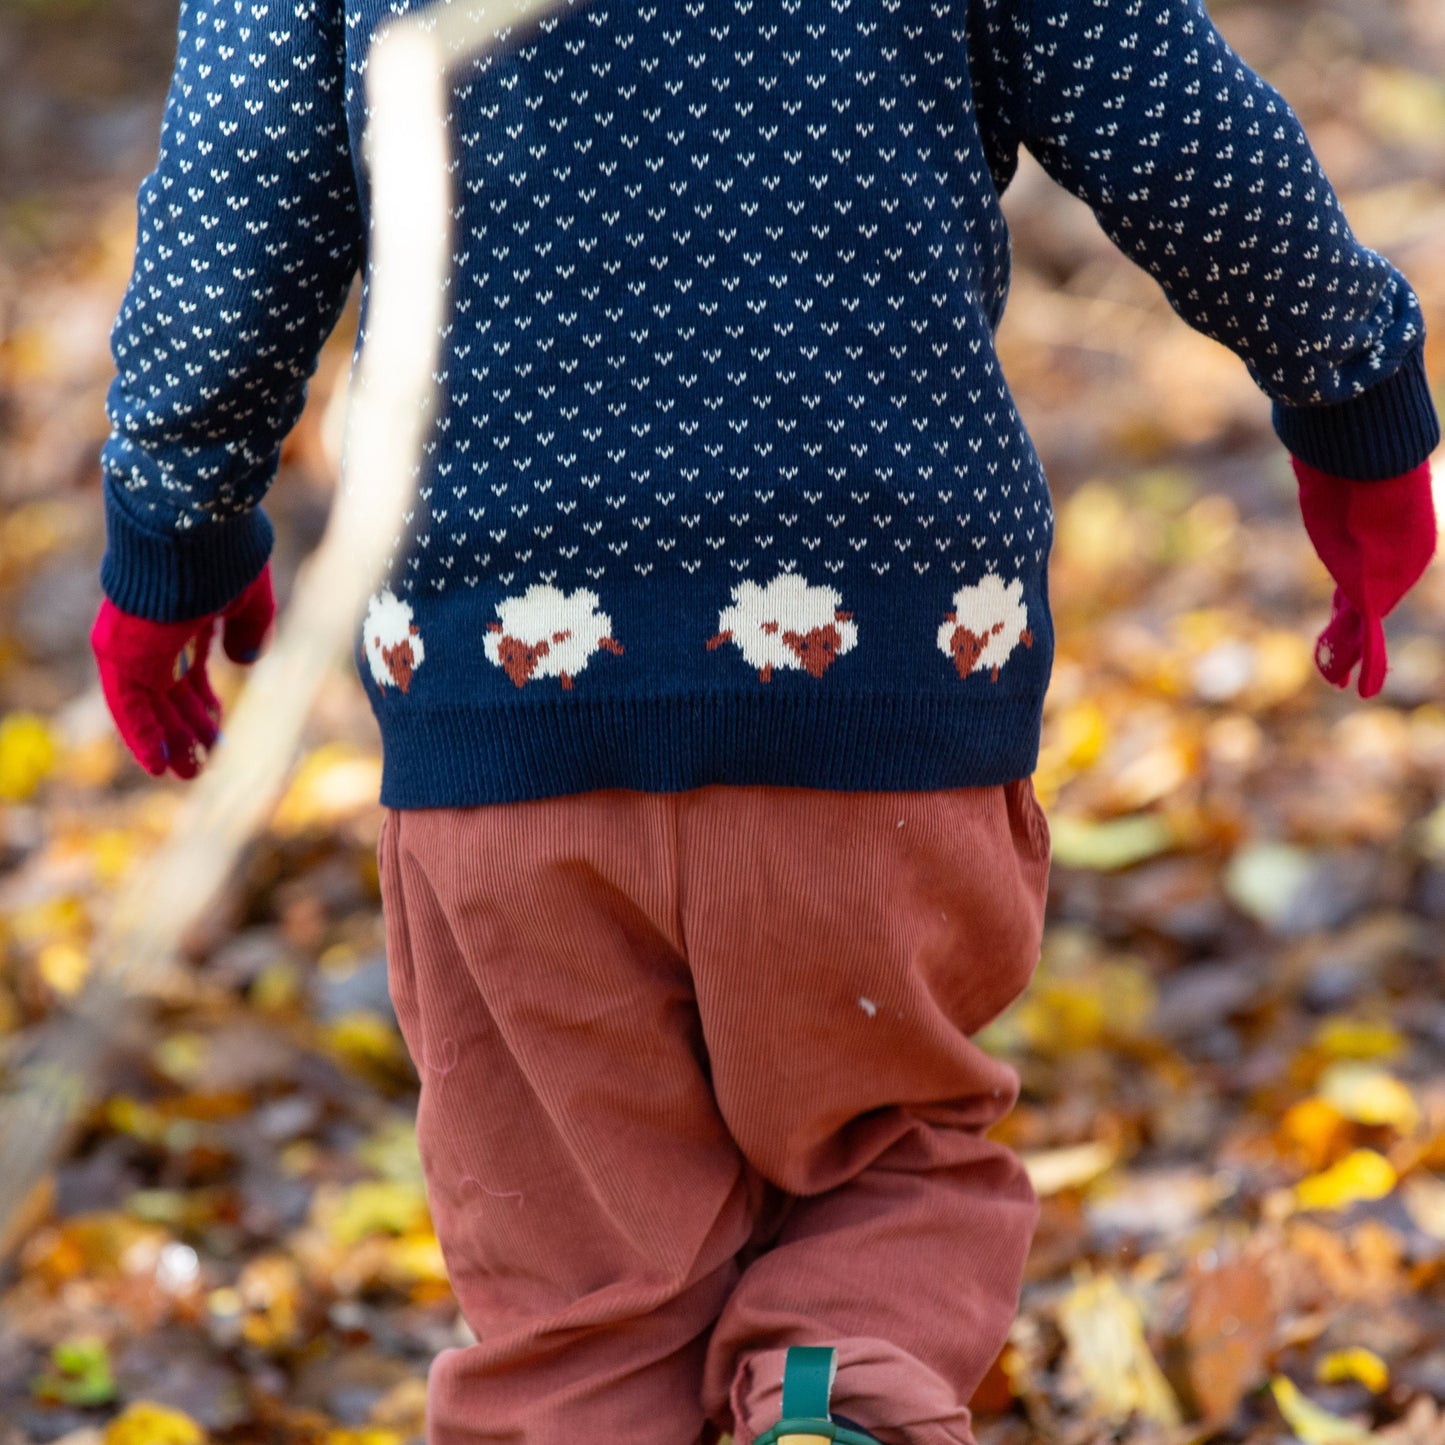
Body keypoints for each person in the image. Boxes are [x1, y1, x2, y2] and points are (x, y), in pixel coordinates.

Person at [90, 0, 1439, 1440]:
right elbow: (1154, 96)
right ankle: (833, 1386)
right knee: (886, 1155)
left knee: (580, 1284)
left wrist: (173, 522)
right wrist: (1347, 377)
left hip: (505, 688)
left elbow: (239, 179)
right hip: (874, 672)